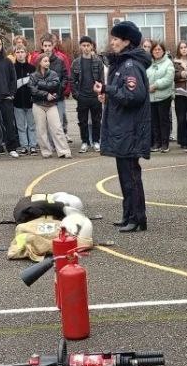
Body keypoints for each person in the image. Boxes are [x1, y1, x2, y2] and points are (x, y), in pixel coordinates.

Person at [97, 21, 151, 232]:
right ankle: (129, 215)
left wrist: (109, 90)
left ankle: (137, 218)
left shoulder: (130, 66)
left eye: (116, 39)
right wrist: (107, 95)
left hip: (130, 130)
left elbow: (134, 96)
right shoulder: (122, 64)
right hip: (122, 129)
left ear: (127, 41)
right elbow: (122, 94)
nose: (112, 42)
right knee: (125, 176)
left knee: (131, 177)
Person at [29, 54, 70, 158]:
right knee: (41, 130)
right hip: (38, 105)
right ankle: (46, 152)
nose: (48, 63)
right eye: (45, 61)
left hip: (51, 105)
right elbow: (33, 90)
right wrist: (46, 94)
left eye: (48, 61)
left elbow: (55, 85)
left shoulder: (53, 74)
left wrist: (40, 84)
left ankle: (64, 151)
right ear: (39, 63)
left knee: (57, 128)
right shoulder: (33, 76)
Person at [29, 35, 69, 134]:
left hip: (58, 98)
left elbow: (65, 77)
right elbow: (33, 80)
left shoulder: (60, 61)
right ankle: (49, 143)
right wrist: (44, 94)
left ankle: (57, 142)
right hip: (42, 99)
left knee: (58, 125)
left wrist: (59, 91)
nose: (47, 48)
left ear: (53, 46)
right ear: (42, 47)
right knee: (44, 126)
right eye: (45, 46)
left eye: (49, 46)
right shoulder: (37, 61)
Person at [71, 36, 103, 152]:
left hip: (95, 96)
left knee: (96, 120)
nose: (86, 48)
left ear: (92, 46)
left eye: (88, 45)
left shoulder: (98, 61)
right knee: (82, 121)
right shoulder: (76, 62)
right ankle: (84, 142)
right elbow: (72, 80)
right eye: (83, 45)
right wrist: (76, 95)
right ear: (80, 47)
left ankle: (96, 141)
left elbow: (101, 79)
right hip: (82, 97)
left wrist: (101, 93)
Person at [146, 41, 174, 153]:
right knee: (154, 121)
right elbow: (144, 77)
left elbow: (168, 79)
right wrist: (147, 86)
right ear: (152, 51)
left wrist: (156, 85)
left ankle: (165, 144)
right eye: (155, 49)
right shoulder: (149, 63)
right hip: (151, 97)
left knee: (164, 121)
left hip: (164, 97)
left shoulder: (168, 63)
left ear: (163, 51)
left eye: (159, 49)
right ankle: (157, 143)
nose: (157, 51)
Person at [13, 46, 37, 154]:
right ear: (15, 54)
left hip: (30, 102)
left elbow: (36, 84)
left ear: (26, 53)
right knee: (20, 126)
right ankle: (24, 146)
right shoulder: (12, 68)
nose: (20, 54)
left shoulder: (32, 68)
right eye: (18, 52)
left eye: (22, 52)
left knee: (31, 126)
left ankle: (33, 145)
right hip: (17, 102)